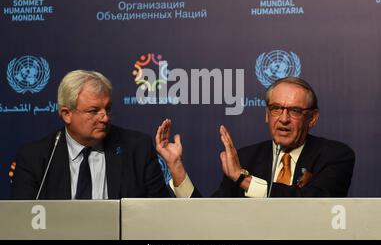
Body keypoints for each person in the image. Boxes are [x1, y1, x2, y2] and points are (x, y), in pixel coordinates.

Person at [156, 77, 355, 197]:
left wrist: (243, 180)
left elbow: (313, 204)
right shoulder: (246, 158)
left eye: (294, 110)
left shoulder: (335, 155)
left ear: (312, 118)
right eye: (276, 108)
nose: (283, 119)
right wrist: (176, 167)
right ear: (267, 115)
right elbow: (209, 215)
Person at [11, 70, 170, 199]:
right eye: (94, 111)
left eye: (107, 109)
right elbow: (23, 222)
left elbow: (158, 215)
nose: (105, 118)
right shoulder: (35, 157)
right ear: (67, 114)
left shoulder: (137, 148)